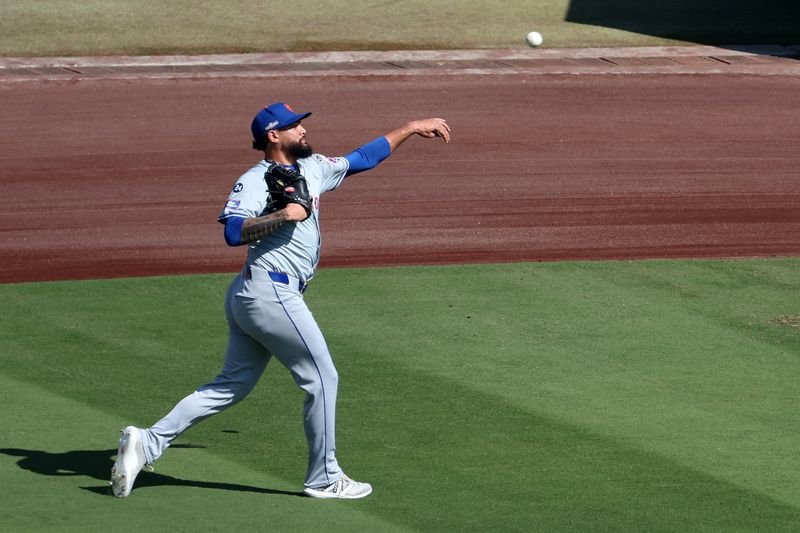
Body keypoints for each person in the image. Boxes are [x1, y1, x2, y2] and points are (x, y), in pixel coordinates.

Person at [111, 102, 451, 499]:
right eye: (294, 126)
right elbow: (233, 232)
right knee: (323, 378)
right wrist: (283, 216)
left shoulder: (313, 167)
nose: (303, 130)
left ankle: (148, 442)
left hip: (255, 294)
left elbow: (361, 159)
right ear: (273, 135)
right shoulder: (255, 180)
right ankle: (325, 477)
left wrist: (409, 127)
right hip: (270, 293)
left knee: (230, 386)